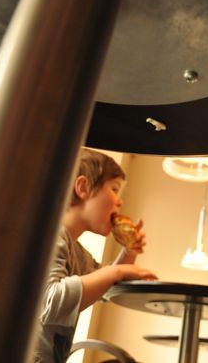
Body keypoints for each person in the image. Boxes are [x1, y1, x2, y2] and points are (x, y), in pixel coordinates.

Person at [34, 148, 158, 363]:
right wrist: (116, 271)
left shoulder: (78, 253)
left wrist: (129, 253)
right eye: (114, 189)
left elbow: (103, 287)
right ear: (83, 187)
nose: (120, 202)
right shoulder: (51, 237)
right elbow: (51, 302)